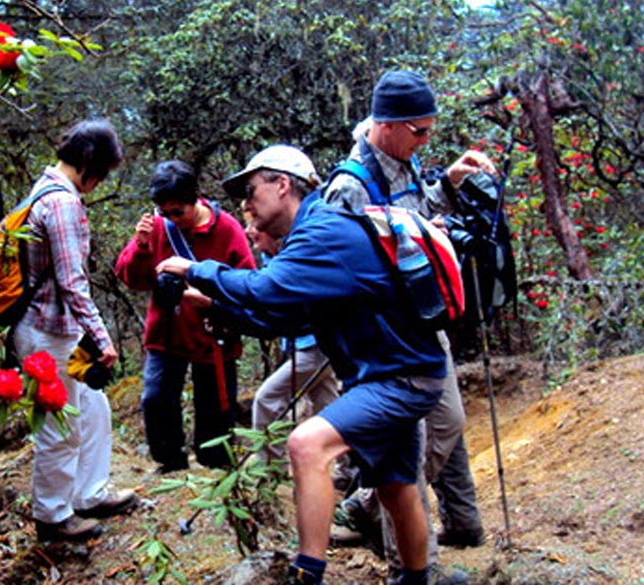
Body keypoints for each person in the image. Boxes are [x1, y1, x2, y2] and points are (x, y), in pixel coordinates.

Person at [157, 144, 445, 585]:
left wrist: (198, 271)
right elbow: (280, 317)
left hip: (399, 377)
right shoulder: (312, 235)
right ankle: (416, 580)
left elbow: (268, 288)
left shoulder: (322, 232)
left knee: (307, 445)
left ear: (283, 184)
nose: (245, 204)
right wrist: (215, 304)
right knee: (395, 485)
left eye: (251, 190)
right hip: (400, 372)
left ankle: (307, 574)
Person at [322, 70, 489, 574]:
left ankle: (367, 504)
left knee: (451, 424)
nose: (425, 140)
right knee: (409, 458)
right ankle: (415, 570)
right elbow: (341, 266)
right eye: (419, 131)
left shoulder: (406, 162)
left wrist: (447, 188)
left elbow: (412, 211)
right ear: (386, 124)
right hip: (385, 340)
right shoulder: (349, 186)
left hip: (422, 324)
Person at [14, 119, 137, 541]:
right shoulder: (62, 203)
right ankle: (52, 517)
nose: (100, 183)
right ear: (88, 164)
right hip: (47, 332)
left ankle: (90, 492)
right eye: (101, 173)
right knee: (59, 427)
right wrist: (103, 339)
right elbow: (72, 281)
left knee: (94, 409)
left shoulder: (43, 189)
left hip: (58, 330)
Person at [114, 160, 255, 471]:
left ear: (196, 199)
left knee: (215, 405)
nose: (172, 219)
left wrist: (215, 300)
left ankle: (216, 465)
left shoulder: (227, 228)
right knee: (156, 397)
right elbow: (131, 278)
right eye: (165, 213)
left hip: (212, 332)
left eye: (179, 212)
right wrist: (140, 245)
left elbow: (249, 283)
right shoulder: (158, 228)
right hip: (167, 331)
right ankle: (170, 461)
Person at [243, 215, 341, 474]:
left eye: (254, 225)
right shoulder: (272, 258)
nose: (248, 232)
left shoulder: (297, 257)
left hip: (317, 346)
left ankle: (271, 473)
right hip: (309, 346)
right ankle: (348, 471)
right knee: (329, 404)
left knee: (267, 399)